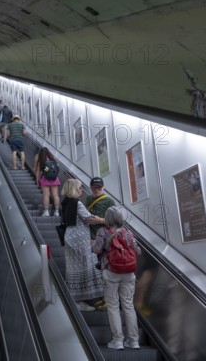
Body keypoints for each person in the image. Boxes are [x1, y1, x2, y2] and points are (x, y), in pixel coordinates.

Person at [92, 206, 141, 350]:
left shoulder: (103, 232)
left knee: (113, 306)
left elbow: (96, 250)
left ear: (107, 218)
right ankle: (133, 341)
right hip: (129, 273)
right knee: (128, 306)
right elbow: (138, 250)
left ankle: (118, 341)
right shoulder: (128, 232)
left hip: (111, 272)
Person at [60, 179, 103, 312]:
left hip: (70, 239)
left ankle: (77, 300)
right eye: (79, 188)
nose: (81, 190)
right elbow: (88, 218)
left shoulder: (65, 202)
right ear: (73, 189)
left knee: (74, 269)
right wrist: (104, 219)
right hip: (80, 241)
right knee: (87, 265)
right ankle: (83, 300)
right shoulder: (77, 203)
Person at [33, 147, 61, 217]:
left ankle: (46, 212)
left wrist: (37, 180)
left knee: (46, 195)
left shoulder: (41, 160)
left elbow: (38, 172)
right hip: (54, 179)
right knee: (55, 195)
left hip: (45, 179)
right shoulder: (53, 159)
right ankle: (57, 212)